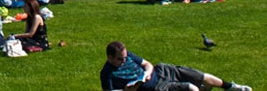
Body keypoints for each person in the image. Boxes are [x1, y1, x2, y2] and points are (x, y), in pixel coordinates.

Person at [100, 40, 252, 91]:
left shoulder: (127, 55)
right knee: (192, 88)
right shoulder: (107, 74)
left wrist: (146, 74)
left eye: (125, 57)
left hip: (160, 71)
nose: (124, 61)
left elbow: (147, 64)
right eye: (120, 59)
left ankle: (231, 87)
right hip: (156, 87)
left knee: (198, 75)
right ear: (110, 57)